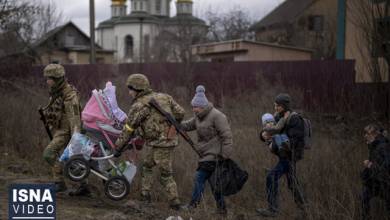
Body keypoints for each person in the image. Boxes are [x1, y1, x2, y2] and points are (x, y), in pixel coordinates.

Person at [114, 73, 186, 210]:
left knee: (165, 174)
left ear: (137, 89)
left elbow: (128, 128)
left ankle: (175, 202)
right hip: (157, 143)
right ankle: (145, 195)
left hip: (162, 144)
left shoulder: (138, 105)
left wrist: (118, 147)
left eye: (130, 89)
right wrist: (170, 125)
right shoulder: (165, 97)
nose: (129, 93)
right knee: (147, 166)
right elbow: (181, 113)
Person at [181, 85, 233, 215]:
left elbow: (227, 136)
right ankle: (222, 210)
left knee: (199, 177)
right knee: (214, 184)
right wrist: (175, 123)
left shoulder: (217, 116)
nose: (194, 109)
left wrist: (225, 156)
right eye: (192, 107)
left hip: (215, 156)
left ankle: (193, 205)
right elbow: (187, 125)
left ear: (203, 106)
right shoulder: (198, 117)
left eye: (196, 107)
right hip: (205, 155)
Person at [41, 64, 90, 195]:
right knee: (71, 159)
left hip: (68, 132)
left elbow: (74, 118)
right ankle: (83, 186)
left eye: (49, 78)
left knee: (49, 154)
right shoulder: (56, 92)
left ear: (57, 79)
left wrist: (76, 137)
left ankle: (59, 182)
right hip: (59, 130)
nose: (47, 81)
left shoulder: (69, 95)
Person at [256, 93, 306, 218]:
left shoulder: (295, 119)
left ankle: (273, 209)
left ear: (284, 105)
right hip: (283, 155)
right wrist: (263, 135)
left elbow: (296, 140)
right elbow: (270, 128)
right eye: (275, 105)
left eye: (278, 105)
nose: (275, 107)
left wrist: (281, 143)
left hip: (290, 156)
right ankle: (305, 209)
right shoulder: (278, 116)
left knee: (271, 177)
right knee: (292, 183)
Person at [361, 124, 390, 220]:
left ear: (375, 135)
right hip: (376, 182)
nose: (365, 136)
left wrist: (369, 165)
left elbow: (386, 168)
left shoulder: (383, 147)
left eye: (367, 133)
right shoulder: (374, 146)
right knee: (363, 197)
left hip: (385, 184)